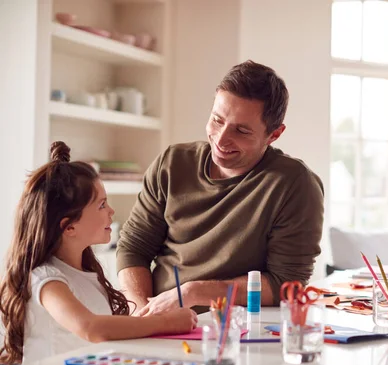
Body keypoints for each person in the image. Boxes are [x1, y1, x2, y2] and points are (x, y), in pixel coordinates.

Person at [117, 60, 325, 316]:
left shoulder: (294, 184)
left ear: (274, 135)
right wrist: (142, 312)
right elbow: (133, 248)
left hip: (237, 328)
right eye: (217, 120)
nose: (221, 138)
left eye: (242, 131)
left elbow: (286, 284)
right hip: (160, 319)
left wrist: (193, 292)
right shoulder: (172, 163)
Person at [0, 142, 197, 365]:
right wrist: (165, 322)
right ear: (69, 227)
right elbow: (91, 328)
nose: (111, 211)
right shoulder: (47, 280)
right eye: (102, 205)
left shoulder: (86, 273)